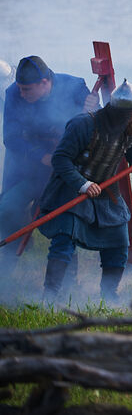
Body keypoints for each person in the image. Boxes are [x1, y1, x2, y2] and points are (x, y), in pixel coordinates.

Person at [37, 80, 132, 303]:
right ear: (119, 113)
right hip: (71, 190)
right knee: (64, 238)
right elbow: (60, 160)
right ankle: (50, 296)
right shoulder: (83, 125)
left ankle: (109, 297)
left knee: (119, 241)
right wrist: (83, 184)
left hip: (106, 193)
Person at [1, 56, 96, 277]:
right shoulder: (14, 94)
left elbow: (96, 126)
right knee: (7, 208)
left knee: (64, 220)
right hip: (30, 171)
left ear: (45, 82)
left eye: (27, 90)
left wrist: (94, 110)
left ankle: (66, 281)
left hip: (65, 175)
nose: (22, 94)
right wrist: (42, 157)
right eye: (20, 89)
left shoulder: (75, 87)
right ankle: (9, 259)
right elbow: (11, 138)